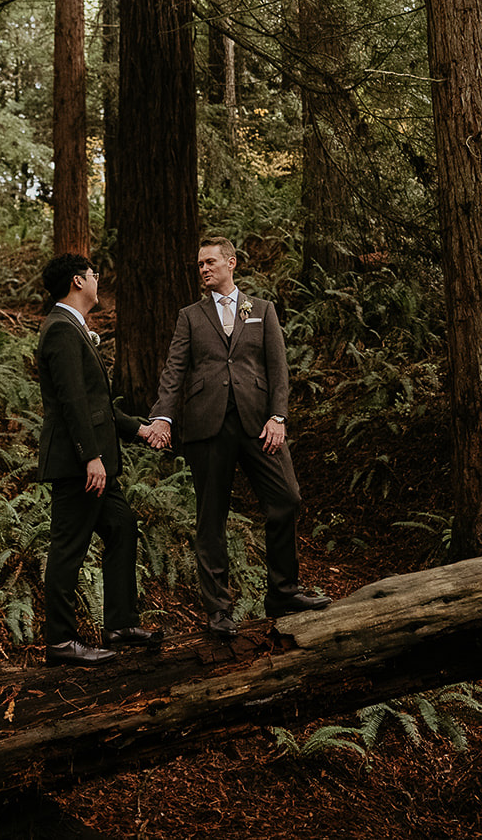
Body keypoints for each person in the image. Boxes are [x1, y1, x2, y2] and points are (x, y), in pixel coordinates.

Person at [146, 237, 331, 637]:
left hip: (257, 423)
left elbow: (278, 369)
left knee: (286, 498)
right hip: (206, 426)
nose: (204, 269)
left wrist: (278, 416)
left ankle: (283, 592)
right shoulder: (190, 317)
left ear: (232, 263)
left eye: (210, 262)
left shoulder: (262, 311)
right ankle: (219, 611)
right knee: (210, 518)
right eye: (199, 264)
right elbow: (174, 370)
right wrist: (162, 417)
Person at [37, 253, 160, 666]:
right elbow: (71, 402)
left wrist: (139, 429)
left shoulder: (76, 327)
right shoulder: (60, 330)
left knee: (122, 526)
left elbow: (97, 404)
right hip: (79, 466)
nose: (97, 280)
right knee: (68, 548)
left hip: (97, 463)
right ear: (77, 281)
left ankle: (120, 623)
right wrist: (90, 456)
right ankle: (60, 642)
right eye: (93, 275)